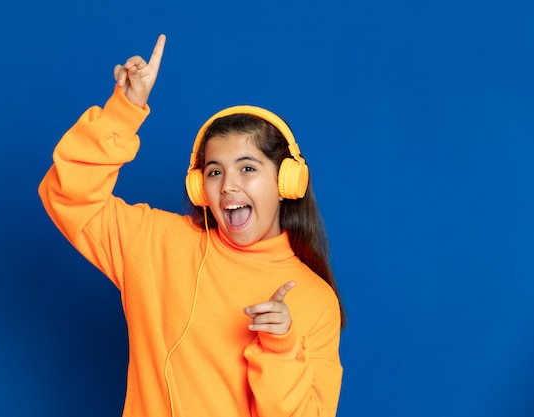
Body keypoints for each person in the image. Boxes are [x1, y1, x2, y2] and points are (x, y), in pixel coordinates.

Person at [39, 34, 345, 417]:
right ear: (200, 188)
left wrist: (281, 348)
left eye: (247, 168)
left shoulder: (316, 301)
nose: (228, 184)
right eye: (214, 171)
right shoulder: (154, 243)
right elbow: (69, 195)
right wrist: (124, 111)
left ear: (288, 182)